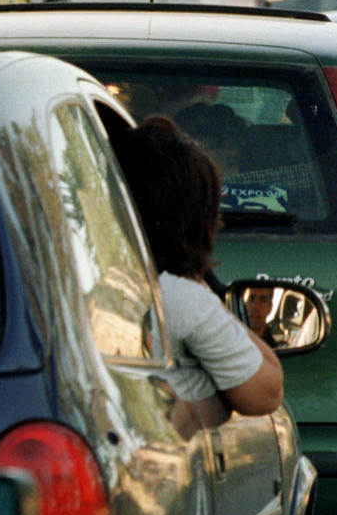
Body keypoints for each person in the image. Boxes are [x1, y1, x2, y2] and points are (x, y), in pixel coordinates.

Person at [113, 115, 283, 425]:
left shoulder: (94, 281)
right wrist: (203, 286)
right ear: (194, 222)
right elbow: (267, 392)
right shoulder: (180, 298)